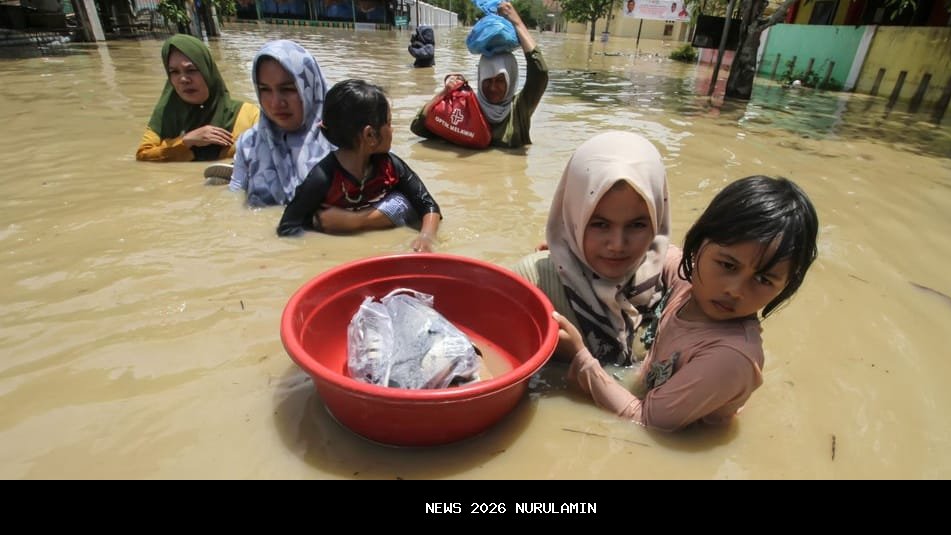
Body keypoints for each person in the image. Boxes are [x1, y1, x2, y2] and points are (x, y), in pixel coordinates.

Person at [553, 176, 819, 431]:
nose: (735, 290)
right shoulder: (688, 281)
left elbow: (646, 422)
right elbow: (647, 253)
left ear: (785, 286)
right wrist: (573, 256)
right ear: (698, 244)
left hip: (671, 429)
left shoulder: (729, 357)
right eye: (727, 265)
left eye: (763, 279)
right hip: (644, 382)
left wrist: (580, 358)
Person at [511, 131, 672, 365]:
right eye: (599, 224)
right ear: (574, 217)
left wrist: (581, 359)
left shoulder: (670, 282)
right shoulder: (531, 284)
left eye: (637, 225)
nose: (617, 245)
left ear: (658, 220)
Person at [277, 79, 442, 253]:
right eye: (389, 123)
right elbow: (287, 229)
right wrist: (325, 245)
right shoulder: (322, 178)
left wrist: (426, 238)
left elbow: (428, 206)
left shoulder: (391, 166)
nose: (392, 130)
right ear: (370, 135)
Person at [410, 2, 548, 149]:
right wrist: (444, 93)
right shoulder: (467, 108)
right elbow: (419, 127)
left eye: (500, 80)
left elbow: (540, 73)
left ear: (511, 79)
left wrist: (517, 22)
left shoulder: (520, 109)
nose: (493, 87)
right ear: (480, 77)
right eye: (487, 81)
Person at [228, 40, 333, 206]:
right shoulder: (249, 143)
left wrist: (350, 221)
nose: (276, 103)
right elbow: (233, 200)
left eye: (288, 89)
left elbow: (387, 196)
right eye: (265, 90)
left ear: (311, 87)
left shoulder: (343, 139)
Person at [136, 34, 259, 162]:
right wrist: (185, 141)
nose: (183, 80)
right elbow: (143, 156)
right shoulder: (165, 115)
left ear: (207, 71)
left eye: (191, 70)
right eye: (174, 72)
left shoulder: (248, 114)